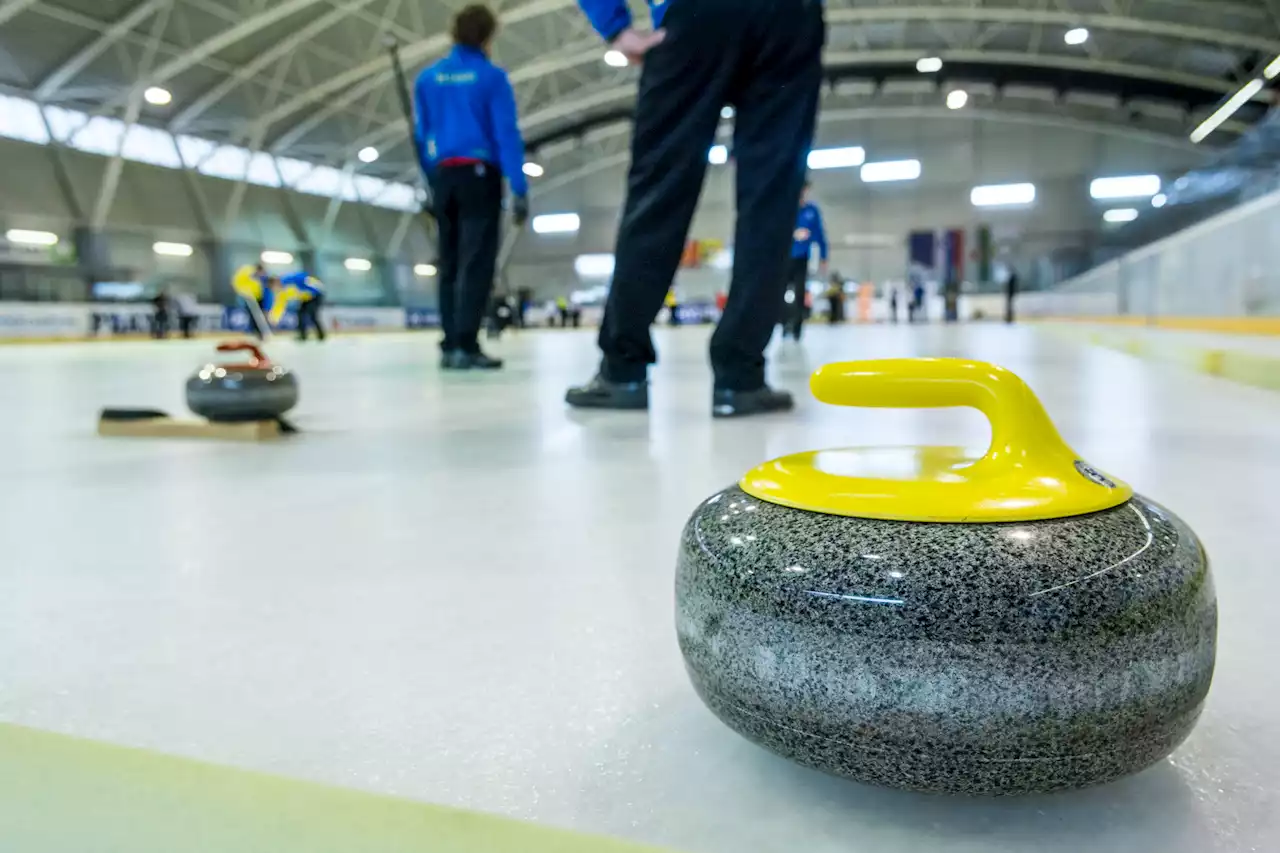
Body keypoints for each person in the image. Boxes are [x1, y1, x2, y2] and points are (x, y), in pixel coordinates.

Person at [565, 0, 825, 418]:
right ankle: (740, 377)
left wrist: (613, 24)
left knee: (660, 188)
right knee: (772, 194)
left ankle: (623, 369)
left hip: (695, 15)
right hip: (787, 19)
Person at [415, 4, 529, 371]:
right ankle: (467, 342)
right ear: (487, 37)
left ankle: (450, 343)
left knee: (448, 262)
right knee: (476, 261)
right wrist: (519, 186)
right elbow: (505, 133)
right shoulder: (490, 77)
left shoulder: (428, 79)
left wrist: (431, 177)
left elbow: (423, 134)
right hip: (479, 173)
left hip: (443, 176)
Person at [782, 182, 828, 341]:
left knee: (800, 293)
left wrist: (823, 256)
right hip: (785, 257)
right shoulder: (786, 209)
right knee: (781, 292)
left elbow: (819, 234)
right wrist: (793, 233)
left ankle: (797, 328)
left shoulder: (812, 210)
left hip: (803, 258)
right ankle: (784, 324)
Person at [272, 271, 326, 341]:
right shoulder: (282, 291)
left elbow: (305, 278)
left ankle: (321, 335)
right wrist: (275, 317)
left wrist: (313, 290)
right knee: (300, 314)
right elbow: (280, 304)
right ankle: (303, 335)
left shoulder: (288, 279)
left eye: (273, 287)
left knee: (312, 315)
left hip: (315, 295)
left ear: (275, 282)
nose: (275, 290)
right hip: (305, 298)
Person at [231, 263, 271, 339]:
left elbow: (259, 286)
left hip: (258, 297)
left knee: (260, 315)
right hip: (249, 297)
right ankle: (257, 332)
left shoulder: (257, 277)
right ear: (258, 270)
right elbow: (236, 282)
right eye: (261, 273)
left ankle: (262, 332)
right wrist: (243, 292)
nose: (262, 276)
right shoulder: (246, 271)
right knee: (254, 315)